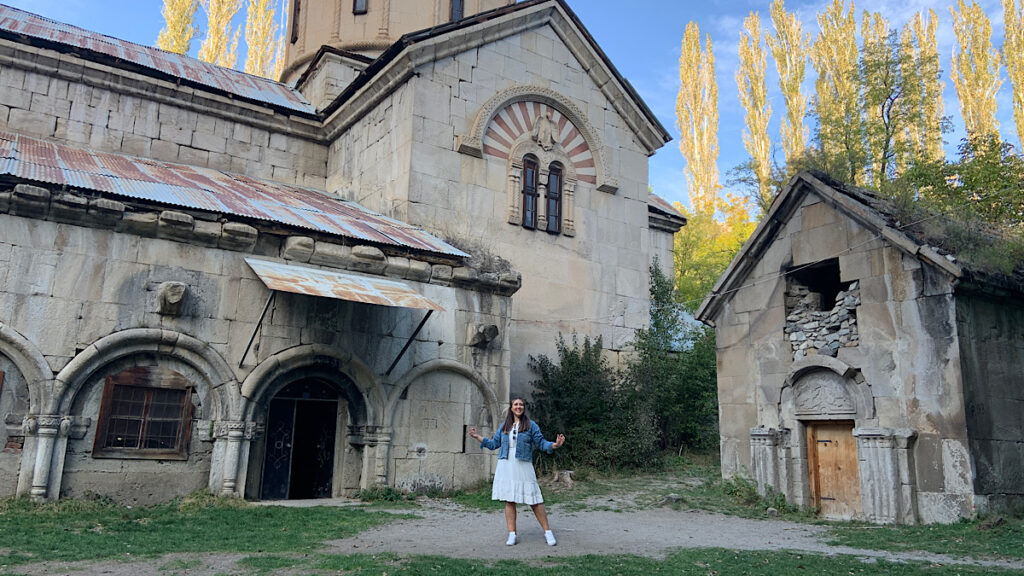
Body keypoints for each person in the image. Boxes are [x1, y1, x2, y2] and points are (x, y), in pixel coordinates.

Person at [468, 398, 566, 546]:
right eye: (516, 404)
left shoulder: (531, 425)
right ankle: (512, 534)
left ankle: (548, 532)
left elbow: (541, 443)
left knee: (534, 499)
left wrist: (555, 445)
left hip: (523, 464)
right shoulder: (504, 426)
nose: (518, 407)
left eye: (521, 405)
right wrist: (478, 437)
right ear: (511, 408)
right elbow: (494, 444)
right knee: (509, 499)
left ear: (523, 408)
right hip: (506, 464)